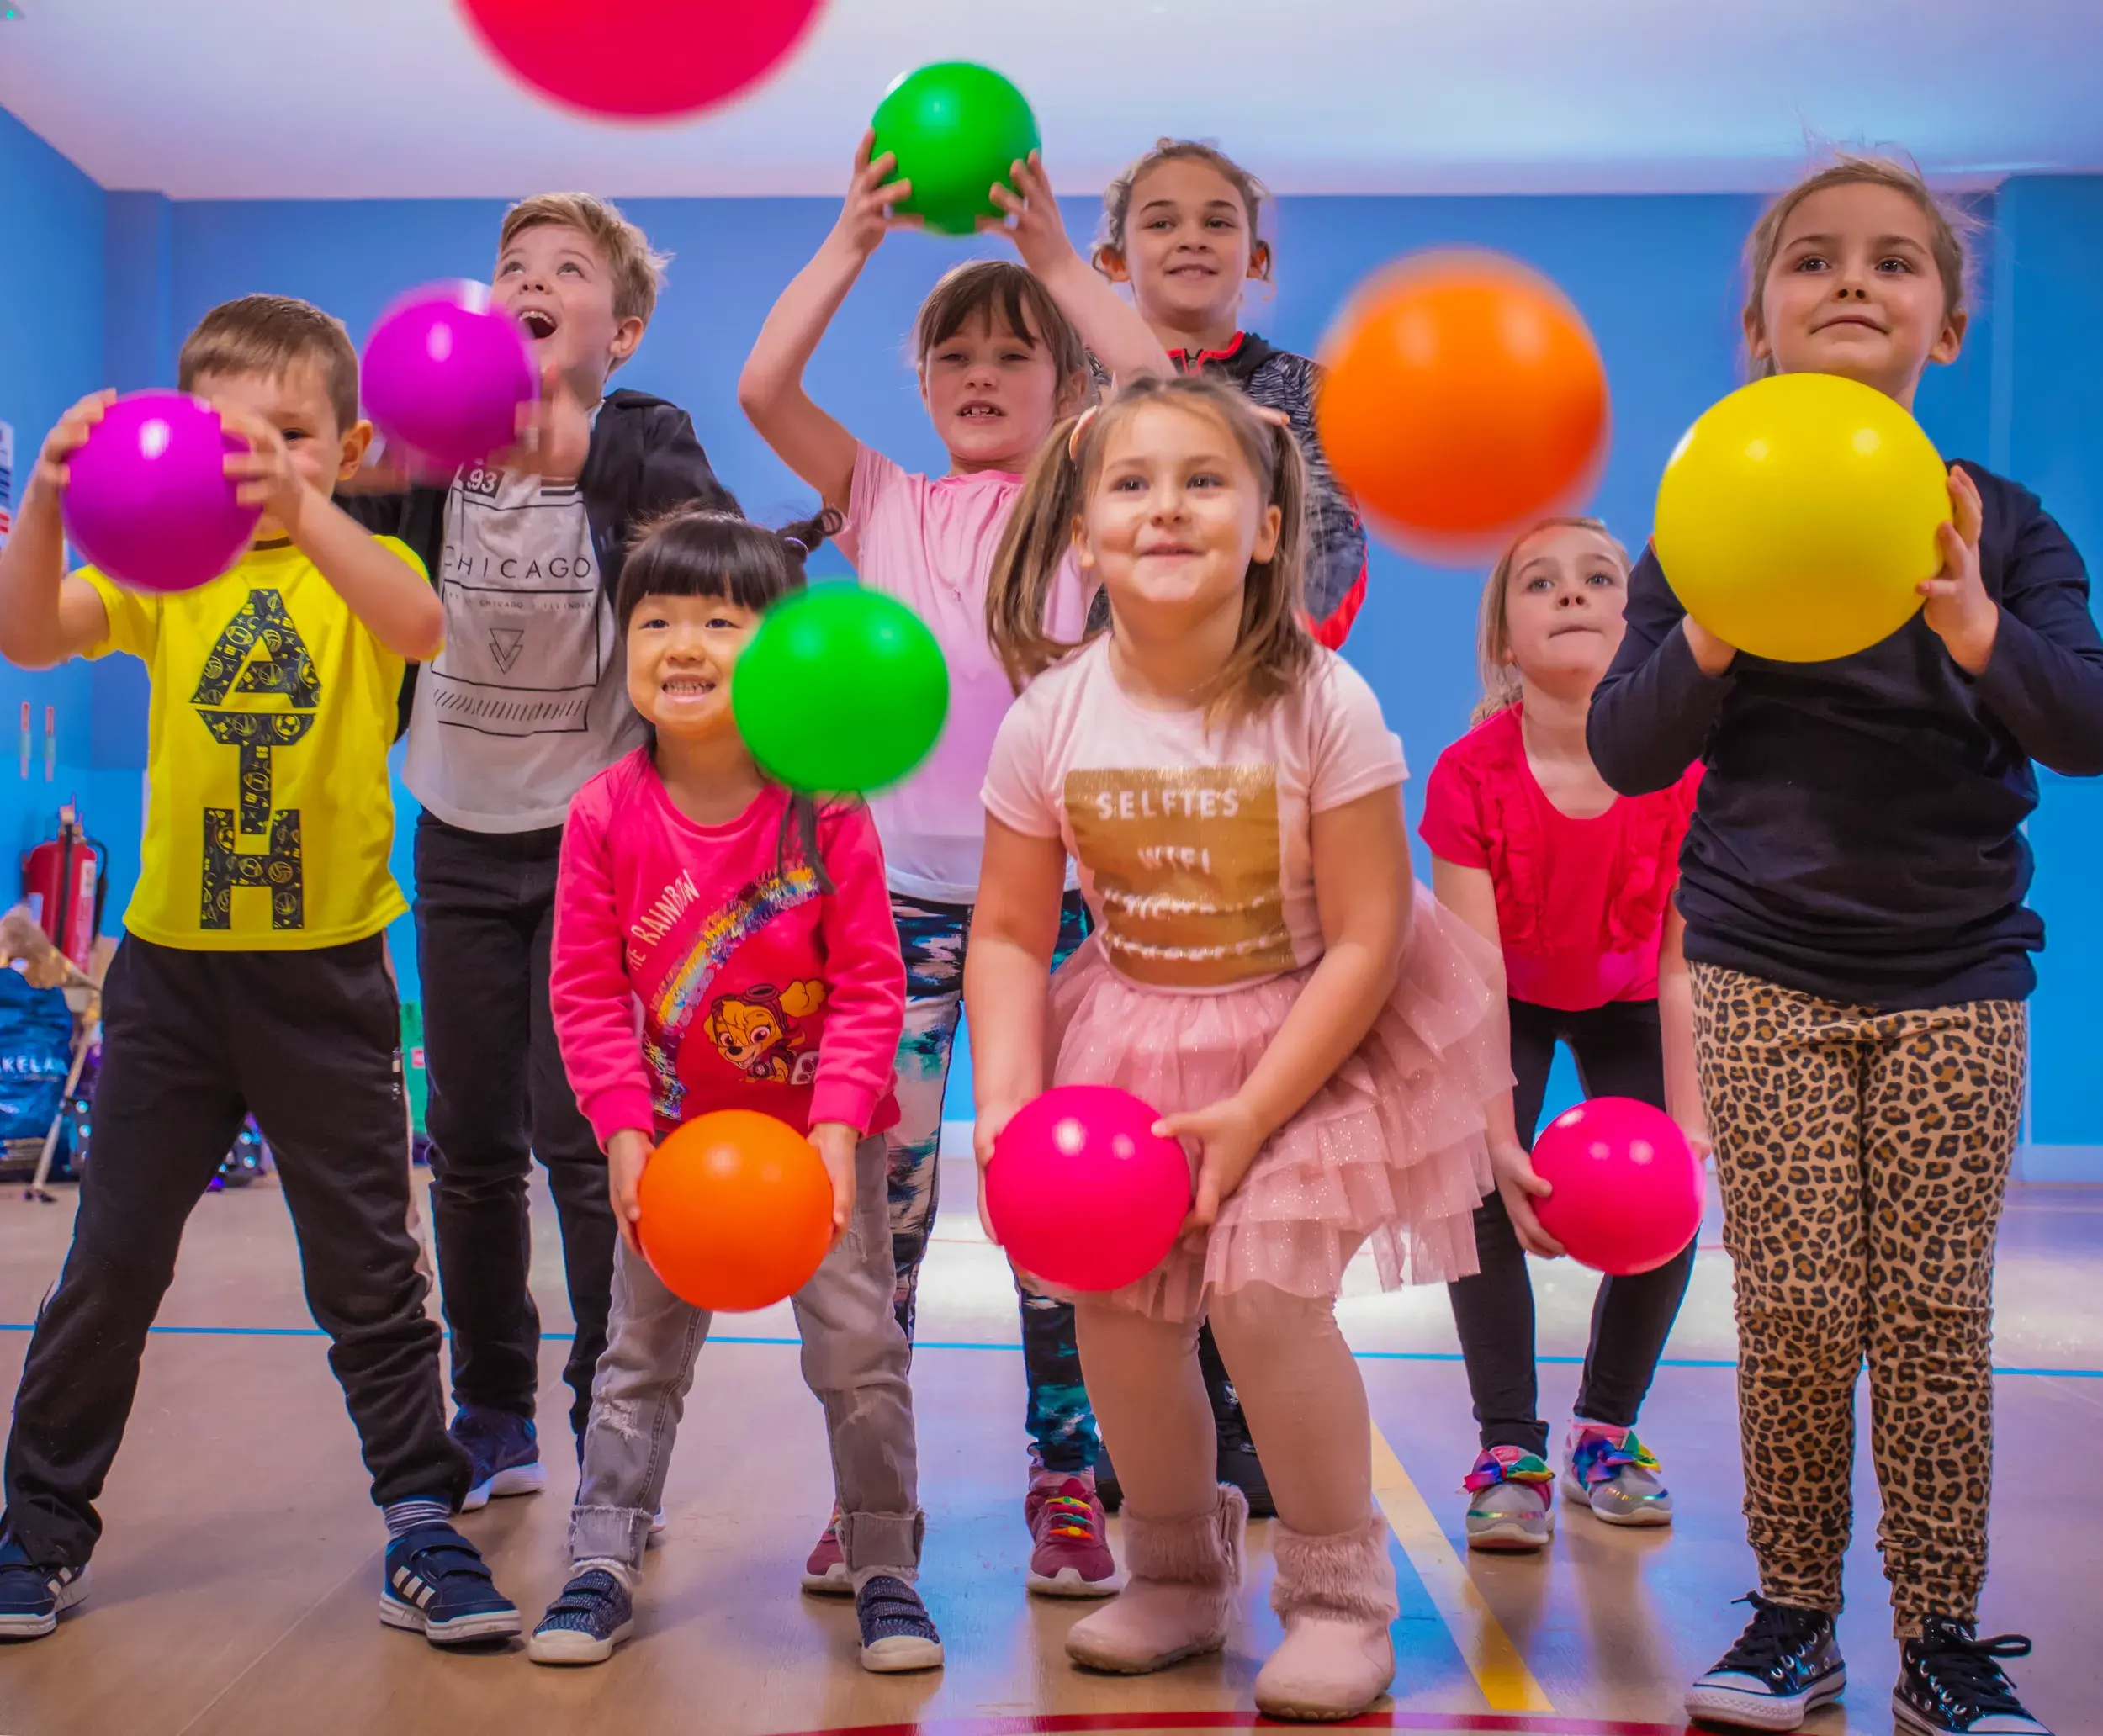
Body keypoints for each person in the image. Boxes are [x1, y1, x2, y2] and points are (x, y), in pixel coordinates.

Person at [1590, 155, 2100, 1736]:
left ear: (1944, 326)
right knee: (1802, 1304)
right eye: (1814, 263)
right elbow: (1623, 747)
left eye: (1895, 263)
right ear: (1761, 321)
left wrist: (1971, 628)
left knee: (1935, 1311)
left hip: (1956, 970)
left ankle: (1942, 1629)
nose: (1855, 283)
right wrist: (1715, 626)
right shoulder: (1701, 522)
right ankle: (1793, 1612)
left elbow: (2082, 724)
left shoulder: (2004, 526)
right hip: (1762, 968)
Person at [967, 373, 1503, 1722]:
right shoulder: (1050, 717)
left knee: (1264, 1304)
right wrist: (1011, 1102)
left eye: (1203, 482)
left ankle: (1334, 1598)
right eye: (1131, 485)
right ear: (1082, 535)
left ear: (1268, 528)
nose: (1166, 508)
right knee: (1122, 1321)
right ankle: (1174, 1575)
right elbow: (1013, 934)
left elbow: (1374, 938)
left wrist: (1257, 1113)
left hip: (1310, 1034)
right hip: (1134, 1036)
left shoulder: (1326, 704)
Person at [0, 295, 517, 1646]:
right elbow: (27, 635)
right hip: (170, 987)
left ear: (346, 449)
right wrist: (50, 496)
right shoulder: (159, 571)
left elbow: (420, 627)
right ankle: (39, 1526)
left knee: (365, 1267)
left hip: (328, 982)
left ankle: (420, 1518)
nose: (258, 467)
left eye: (289, 439)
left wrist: (305, 500)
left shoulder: (349, 572)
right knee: (110, 1264)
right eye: (232, 442)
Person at [738, 134, 1171, 1596]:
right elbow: (763, 391)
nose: (982, 375)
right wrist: (854, 237)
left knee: (1053, 1201)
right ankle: (879, 1493)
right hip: (897, 920)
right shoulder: (886, 502)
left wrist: (1059, 260)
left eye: (1013, 353)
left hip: (1062, 915)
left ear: (1067, 382)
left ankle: (1067, 1473)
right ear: (922, 384)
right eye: (954, 356)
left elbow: (1171, 397)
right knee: (886, 1207)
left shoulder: (1091, 498)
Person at [348, 193, 736, 1505]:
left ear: (617, 332)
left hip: (593, 848)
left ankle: (604, 1411)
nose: (528, 281)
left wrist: (580, 453)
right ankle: (496, 1404)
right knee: (466, 1137)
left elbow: (707, 550)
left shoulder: (640, 435)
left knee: (585, 1143)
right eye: (512, 266)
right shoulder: (427, 449)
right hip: (456, 830)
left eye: (564, 271)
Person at [531, 507, 940, 1674]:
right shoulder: (604, 813)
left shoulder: (826, 809)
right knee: (639, 1355)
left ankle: (885, 1565)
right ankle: (602, 1554)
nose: (686, 643)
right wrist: (619, 1132)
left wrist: (830, 1133)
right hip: (670, 1144)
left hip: (819, 1144)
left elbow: (871, 986)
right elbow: (585, 992)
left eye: (723, 619)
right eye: (657, 618)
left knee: (858, 1349)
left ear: (781, 650)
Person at [1419, 516, 1705, 1554]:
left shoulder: (1683, 770)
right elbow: (1475, 977)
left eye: (1597, 578)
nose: (1573, 594)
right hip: (1512, 996)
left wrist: (1690, 1119)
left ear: (1639, 627)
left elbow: (1680, 962)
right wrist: (1493, 1136)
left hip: (1632, 991)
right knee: (1472, 1179)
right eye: (1541, 583)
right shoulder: (1468, 776)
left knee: (1667, 1187)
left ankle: (1607, 1432)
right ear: (1504, 640)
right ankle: (1509, 1448)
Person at [1093, 138, 1369, 650]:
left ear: (1255, 259)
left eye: (1217, 223)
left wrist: (1271, 648)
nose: (1192, 239)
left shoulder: (1308, 389)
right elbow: (1051, 531)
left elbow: (1334, 539)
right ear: (1115, 261)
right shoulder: (1078, 386)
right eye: (1161, 223)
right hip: (1107, 680)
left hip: (1257, 676)